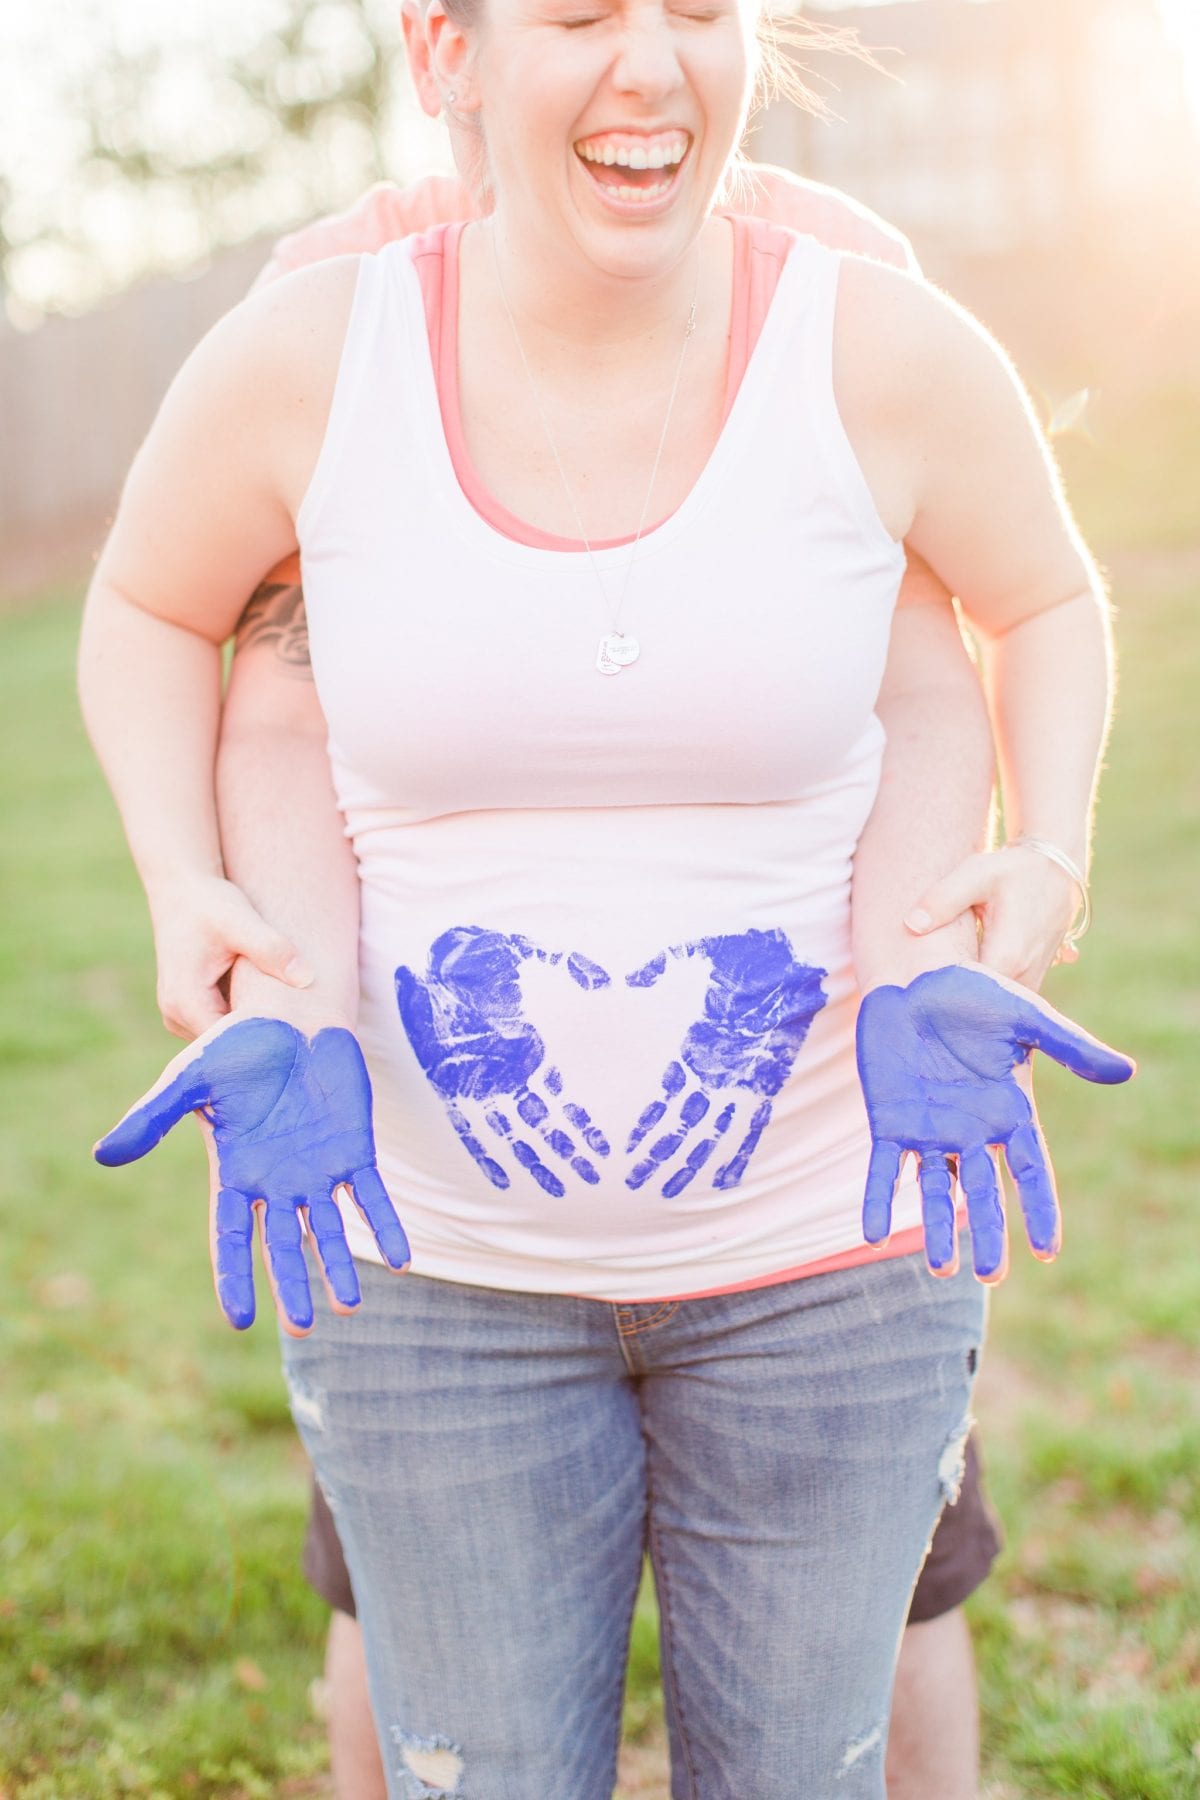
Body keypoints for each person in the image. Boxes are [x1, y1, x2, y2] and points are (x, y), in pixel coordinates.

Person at [78, 0, 1135, 1793]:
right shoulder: (312, 352)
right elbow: (149, 606)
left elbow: (1046, 599)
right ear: (449, 49)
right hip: (433, 1282)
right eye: (580, 11)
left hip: (834, 1271)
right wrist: (185, 883)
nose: (651, 61)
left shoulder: (871, 337)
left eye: (700, 10)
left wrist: (1044, 857)